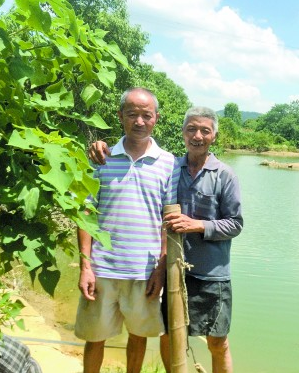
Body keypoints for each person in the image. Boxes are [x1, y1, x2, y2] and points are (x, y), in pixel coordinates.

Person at [89, 106, 244, 373]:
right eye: (191, 129)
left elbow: (235, 224)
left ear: (214, 137)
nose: (197, 136)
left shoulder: (225, 175)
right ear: (183, 133)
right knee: (169, 336)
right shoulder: (171, 166)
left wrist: (197, 225)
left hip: (211, 273)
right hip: (173, 271)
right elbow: (136, 152)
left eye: (205, 131)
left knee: (217, 342)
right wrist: (101, 146)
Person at [75, 87, 179, 373]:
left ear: (156, 118)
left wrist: (160, 266)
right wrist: (85, 265)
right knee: (95, 338)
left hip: (144, 271)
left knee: (139, 337)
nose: (139, 121)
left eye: (146, 115)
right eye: (132, 114)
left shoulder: (169, 163)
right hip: (102, 268)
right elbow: (85, 212)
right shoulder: (101, 158)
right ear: (120, 116)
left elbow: (169, 220)